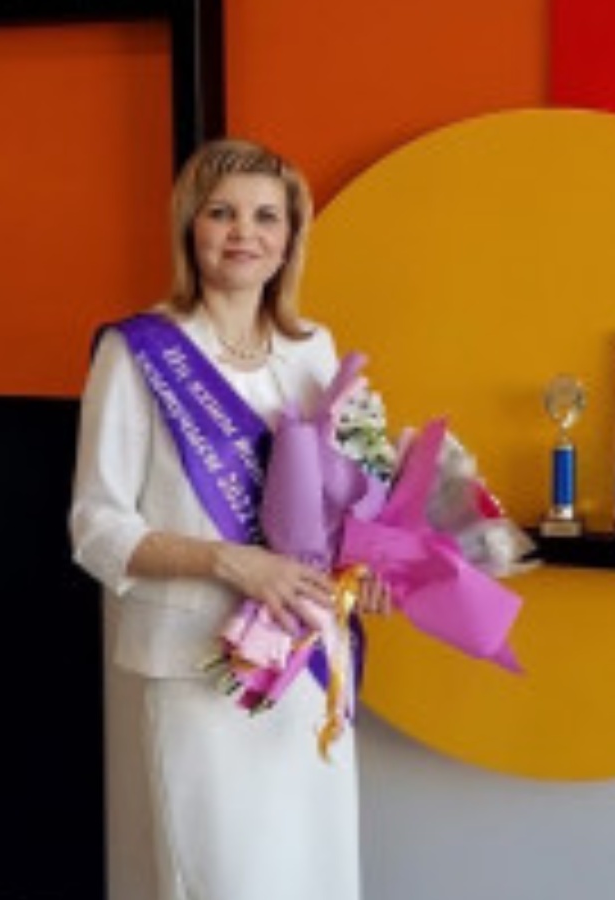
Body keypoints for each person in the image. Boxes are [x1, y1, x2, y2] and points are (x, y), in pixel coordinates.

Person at [70, 138, 383, 900]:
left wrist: (368, 567)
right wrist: (231, 561)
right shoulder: (138, 352)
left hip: (307, 661)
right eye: (222, 213)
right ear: (190, 227)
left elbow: (347, 499)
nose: (245, 232)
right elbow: (97, 526)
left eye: (266, 216)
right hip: (199, 665)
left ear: (290, 238)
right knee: (227, 881)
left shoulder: (314, 351)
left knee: (315, 875)